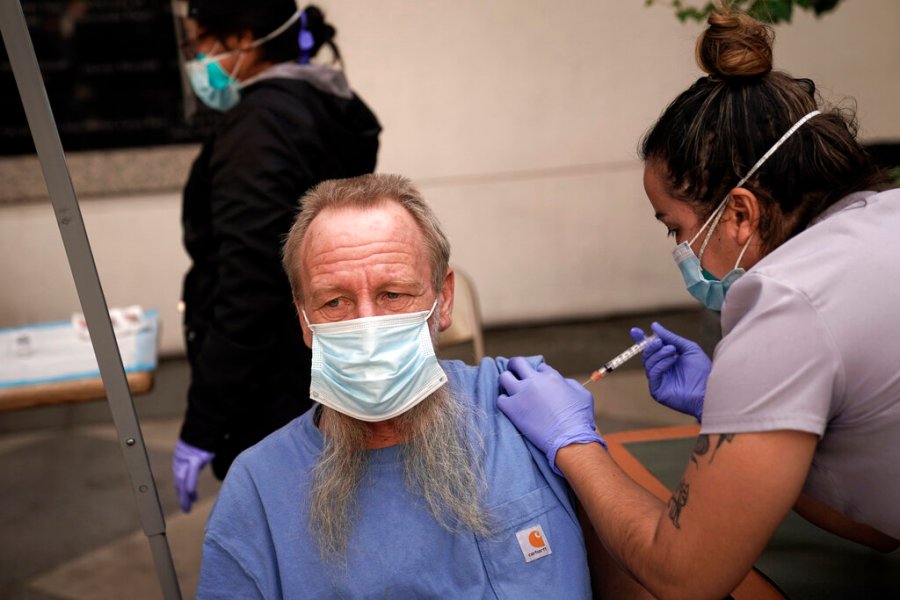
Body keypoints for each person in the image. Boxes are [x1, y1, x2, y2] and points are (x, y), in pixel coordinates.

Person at [497, 5, 900, 599]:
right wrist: (724, 405)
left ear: (739, 212)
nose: (683, 250)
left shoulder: (785, 303)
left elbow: (684, 576)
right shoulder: (883, 218)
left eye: (675, 228)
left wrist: (573, 443)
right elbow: (877, 524)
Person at [195, 174, 647, 598]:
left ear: (443, 299)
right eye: (335, 301)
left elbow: (642, 575)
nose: (368, 325)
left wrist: (582, 449)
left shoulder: (527, 406)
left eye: (394, 294)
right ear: (304, 320)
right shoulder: (258, 492)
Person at [172, 0, 381, 513]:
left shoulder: (259, 128)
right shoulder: (320, 103)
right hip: (327, 364)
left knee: (293, 531)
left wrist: (205, 421)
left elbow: (250, 284)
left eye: (198, 42)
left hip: (274, 384)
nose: (194, 57)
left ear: (242, 40)